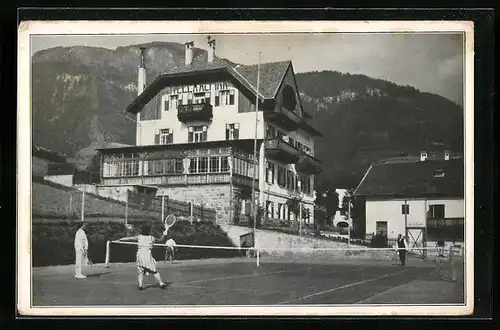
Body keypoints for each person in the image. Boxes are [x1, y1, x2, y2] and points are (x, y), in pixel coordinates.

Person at [118, 223, 168, 290]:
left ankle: (140, 286)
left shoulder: (139, 237)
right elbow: (160, 240)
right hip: (147, 255)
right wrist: (164, 234)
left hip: (140, 255)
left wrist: (120, 239)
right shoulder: (151, 238)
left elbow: (129, 238)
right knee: (153, 270)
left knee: (140, 271)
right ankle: (161, 283)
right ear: (149, 231)